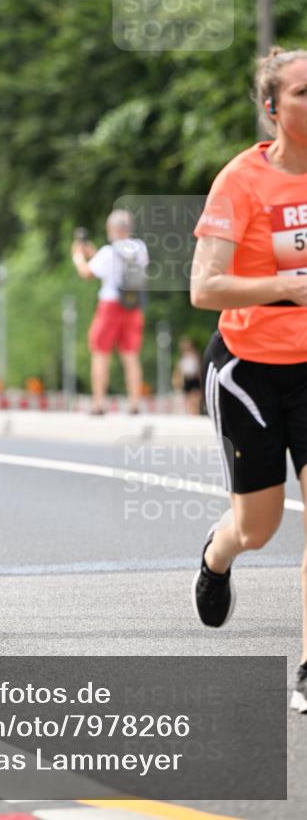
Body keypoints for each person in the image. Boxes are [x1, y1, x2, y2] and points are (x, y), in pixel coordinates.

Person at [189, 46, 307, 714]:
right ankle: (216, 556)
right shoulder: (241, 180)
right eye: (301, 91)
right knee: (257, 526)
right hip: (248, 368)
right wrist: (282, 288)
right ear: (271, 107)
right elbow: (202, 287)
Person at [71, 209, 148, 414]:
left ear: (113, 229)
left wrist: (78, 257)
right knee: (131, 355)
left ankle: (99, 403)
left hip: (110, 305)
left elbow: (87, 273)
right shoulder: (140, 248)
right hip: (133, 306)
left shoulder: (108, 252)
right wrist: (95, 253)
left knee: (101, 353)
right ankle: (134, 403)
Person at [172, 337, 202, 415]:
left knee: (195, 398)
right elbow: (180, 370)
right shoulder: (182, 358)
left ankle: (196, 412)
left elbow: (198, 369)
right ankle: (191, 413)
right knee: (189, 398)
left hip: (194, 379)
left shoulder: (195, 356)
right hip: (187, 379)